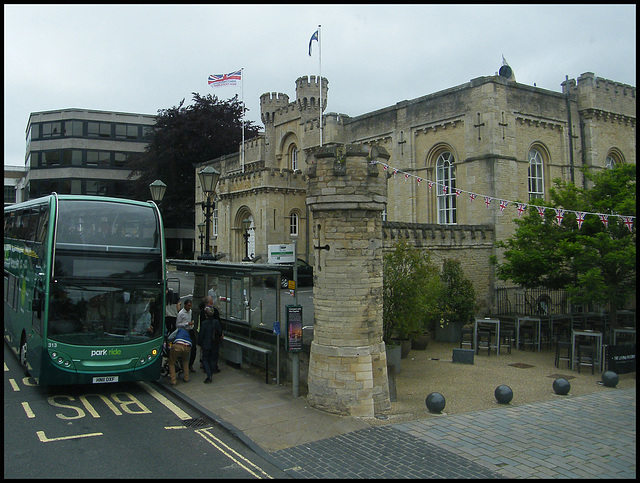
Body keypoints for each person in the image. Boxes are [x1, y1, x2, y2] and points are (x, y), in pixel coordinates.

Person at [198, 306, 223, 383]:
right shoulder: (216, 322)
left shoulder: (204, 323)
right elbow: (219, 332)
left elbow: (201, 334)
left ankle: (209, 375)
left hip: (206, 344)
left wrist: (199, 342)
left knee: (205, 359)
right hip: (214, 344)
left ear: (206, 315)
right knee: (213, 359)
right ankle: (211, 372)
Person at [176, 298, 195, 372]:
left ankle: (190, 365)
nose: (189, 307)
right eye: (188, 306)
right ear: (185, 305)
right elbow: (177, 325)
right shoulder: (181, 314)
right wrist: (187, 324)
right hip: (184, 331)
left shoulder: (190, 311)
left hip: (190, 330)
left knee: (193, 348)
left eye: (190, 306)